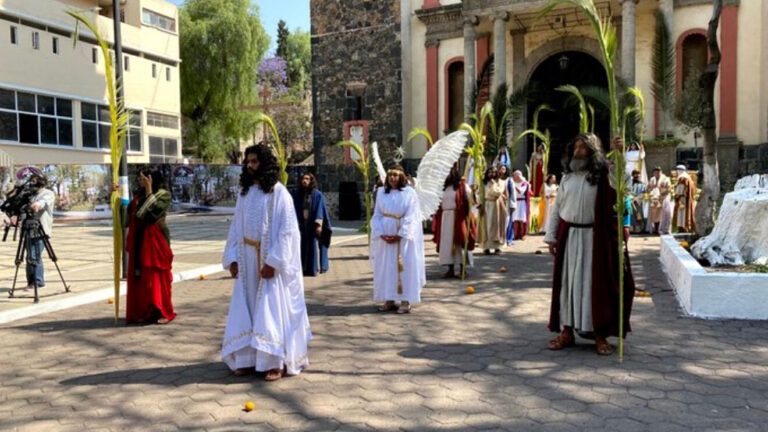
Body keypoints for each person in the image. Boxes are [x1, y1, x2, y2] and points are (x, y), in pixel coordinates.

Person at [221, 144, 311, 381]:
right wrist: (232, 258)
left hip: (270, 262)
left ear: (265, 163)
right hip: (247, 258)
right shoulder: (244, 193)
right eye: (248, 162)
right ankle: (247, 359)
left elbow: (288, 231)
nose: (250, 166)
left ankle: (274, 362)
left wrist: (273, 261)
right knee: (248, 308)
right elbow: (235, 228)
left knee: (270, 309)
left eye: (254, 162)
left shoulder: (279, 193)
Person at [544, 133, 636, 356]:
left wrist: (622, 156)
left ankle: (599, 334)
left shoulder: (604, 175)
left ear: (593, 151)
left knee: (593, 287)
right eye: (575, 146)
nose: (577, 151)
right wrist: (551, 236)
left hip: (594, 238)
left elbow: (623, 184)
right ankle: (567, 331)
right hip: (569, 236)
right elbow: (557, 209)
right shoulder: (567, 177)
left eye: (583, 147)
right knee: (568, 286)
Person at [370, 166, 425, 314]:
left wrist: (400, 234)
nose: (392, 178)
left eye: (395, 175)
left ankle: (406, 300)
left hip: (403, 238)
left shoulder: (409, 193)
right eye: (390, 176)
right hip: (386, 238)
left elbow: (412, 215)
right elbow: (377, 214)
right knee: (387, 267)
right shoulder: (381, 193)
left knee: (404, 266)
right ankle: (389, 299)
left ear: (401, 177)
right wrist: (381, 233)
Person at [125, 167, 176, 324]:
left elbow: (150, 214)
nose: (141, 182)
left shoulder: (164, 195)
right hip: (140, 239)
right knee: (141, 275)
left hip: (156, 239)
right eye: (140, 179)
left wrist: (149, 190)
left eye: (144, 179)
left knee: (156, 274)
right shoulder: (138, 196)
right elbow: (130, 214)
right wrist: (115, 195)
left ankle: (161, 310)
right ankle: (145, 310)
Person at [12, 174, 55, 291]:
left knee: (34, 256)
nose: (31, 184)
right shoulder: (29, 195)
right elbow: (21, 209)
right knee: (29, 257)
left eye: (34, 181)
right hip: (27, 229)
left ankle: (38, 282)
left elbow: (43, 202)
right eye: (30, 182)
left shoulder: (48, 193)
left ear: (41, 182)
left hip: (41, 230)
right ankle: (32, 282)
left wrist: (37, 204)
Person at [433, 166, 475, 278]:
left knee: (459, 241)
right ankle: (450, 269)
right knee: (447, 244)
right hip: (445, 218)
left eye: (446, 173)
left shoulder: (462, 186)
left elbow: (471, 199)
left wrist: (473, 192)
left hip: (458, 217)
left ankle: (462, 269)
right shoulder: (443, 188)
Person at [292, 173, 332, 276]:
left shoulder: (317, 195)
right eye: (303, 179)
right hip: (300, 224)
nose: (304, 181)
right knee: (301, 246)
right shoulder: (296, 194)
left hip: (312, 225)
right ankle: (302, 268)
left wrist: (318, 225)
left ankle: (312, 269)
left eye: (307, 179)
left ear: (311, 181)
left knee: (312, 247)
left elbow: (320, 210)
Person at [482, 166, 508, 255]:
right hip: (487, 206)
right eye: (489, 172)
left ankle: (498, 248)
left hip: (497, 206)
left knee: (497, 226)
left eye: (493, 172)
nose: (491, 174)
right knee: (487, 226)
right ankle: (486, 247)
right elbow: (481, 194)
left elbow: (497, 193)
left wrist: (493, 184)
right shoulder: (484, 183)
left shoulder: (501, 182)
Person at [646, 167, 673, 234]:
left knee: (663, 214)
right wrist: (651, 189)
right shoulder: (652, 179)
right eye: (655, 172)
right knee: (654, 214)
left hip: (663, 198)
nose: (656, 174)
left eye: (658, 172)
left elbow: (669, 189)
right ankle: (655, 229)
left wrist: (660, 191)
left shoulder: (666, 179)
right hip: (654, 199)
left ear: (661, 172)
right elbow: (648, 188)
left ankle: (663, 229)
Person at [673, 165, 696, 233]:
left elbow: (680, 190)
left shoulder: (682, 178)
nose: (677, 172)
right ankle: (684, 228)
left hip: (682, 199)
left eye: (677, 170)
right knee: (683, 214)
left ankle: (683, 229)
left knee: (682, 215)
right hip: (687, 199)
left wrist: (676, 195)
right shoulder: (689, 178)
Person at [511, 170, 531, 240]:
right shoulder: (512, 183)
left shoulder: (524, 183)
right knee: (515, 219)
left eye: (516, 175)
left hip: (522, 202)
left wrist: (514, 186)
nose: (515, 177)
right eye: (514, 175)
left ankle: (523, 234)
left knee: (522, 219)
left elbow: (521, 191)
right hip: (515, 202)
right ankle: (515, 234)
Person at [501, 167, 517, 246]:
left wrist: (513, 204)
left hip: (507, 203)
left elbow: (513, 193)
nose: (501, 170)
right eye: (500, 168)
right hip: (498, 203)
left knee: (507, 221)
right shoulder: (497, 179)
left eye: (503, 169)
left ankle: (508, 238)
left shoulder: (509, 180)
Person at [629, 170, 647, 234]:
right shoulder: (629, 183)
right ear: (633, 175)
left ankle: (638, 229)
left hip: (638, 202)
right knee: (631, 215)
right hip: (631, 202)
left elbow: (643, 193)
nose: (636, 176)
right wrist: (632, 199)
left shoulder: (642, 184)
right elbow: (628, 192)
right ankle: (631, 229)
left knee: (638, 215)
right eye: (635, 174)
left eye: (638, 174)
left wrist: (637, 199)